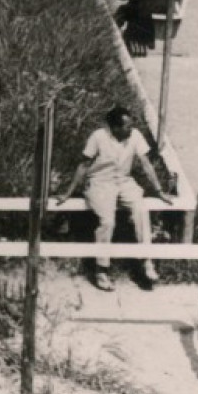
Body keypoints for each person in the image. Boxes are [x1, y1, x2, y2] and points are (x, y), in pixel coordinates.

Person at [52, 106, 173, 292]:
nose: (130, 130)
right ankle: (101, 270)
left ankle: (147, 262)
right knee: (107, 221)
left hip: (124, 181)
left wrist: (159, 190)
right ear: (114, 128)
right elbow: (83, 165)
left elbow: (146, 164)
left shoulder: (135, 136)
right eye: (126, 127)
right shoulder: (98, 137)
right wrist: (68, 192)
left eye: (131, 126)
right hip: (100, 183)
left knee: (141, 210)